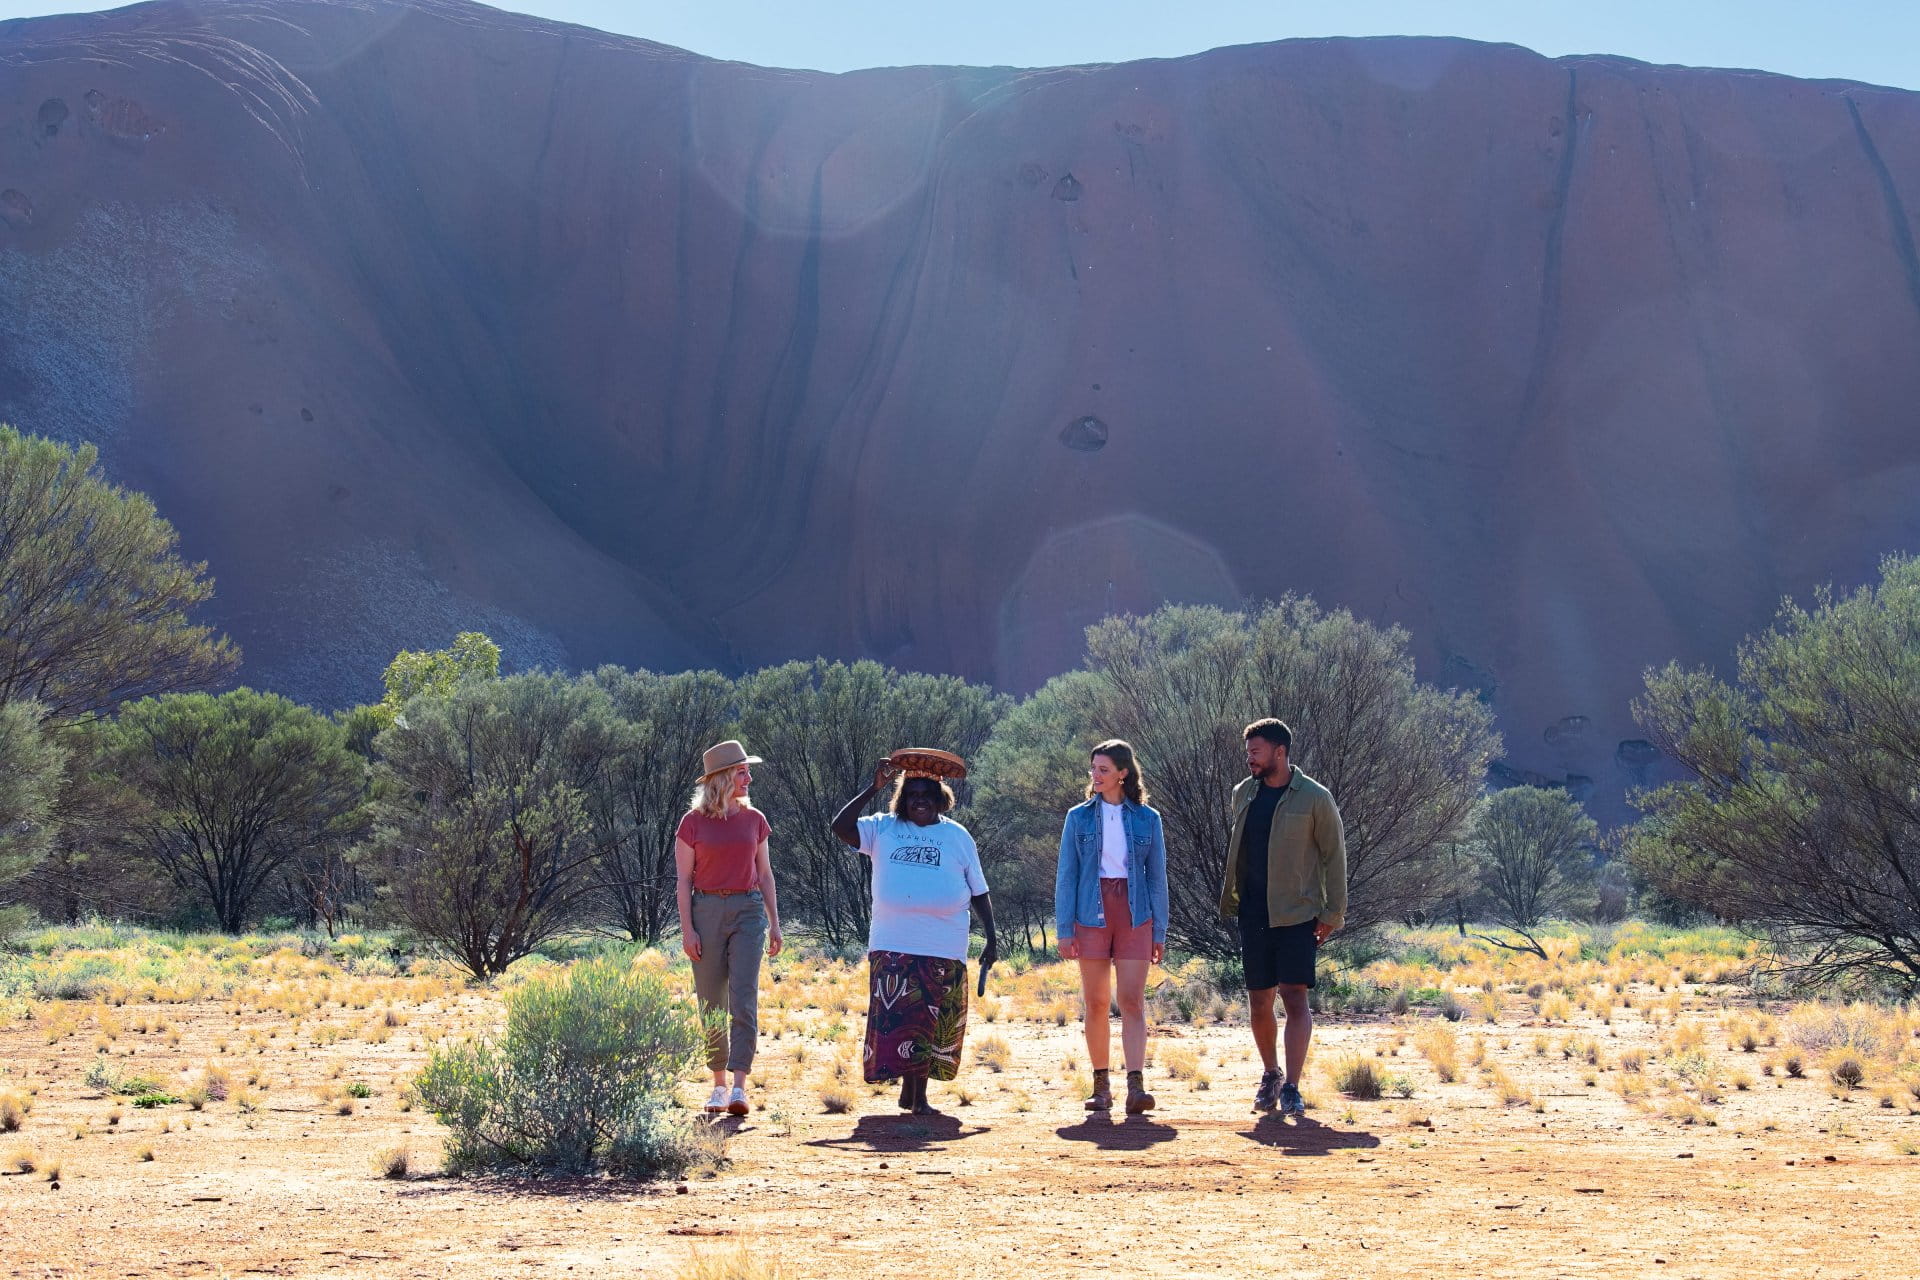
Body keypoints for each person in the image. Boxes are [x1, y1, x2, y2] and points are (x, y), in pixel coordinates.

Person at [831, 756, 997, 1115]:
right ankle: (914, 1096)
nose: (919, 800)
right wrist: (872, 789)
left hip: (943, 942)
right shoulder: (883, 828)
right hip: (893, 941)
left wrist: (992, 938)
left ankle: (915, 1095)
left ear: (941, 799)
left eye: (927, 794)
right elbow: (840, 826)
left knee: (931, 1019)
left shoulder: (957, 836)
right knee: (902, 1020)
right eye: (911, 795)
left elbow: (979, 890)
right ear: (901, 799)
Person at [1217, 718, 1347, 1117]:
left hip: (1298, 914)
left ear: (1279, 751)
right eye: (1248, 753)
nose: (1249, 759)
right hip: (1253, 913)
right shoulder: (1244, 793)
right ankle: (1269, 1074)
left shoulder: (1315, 797)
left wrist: (1332, 913)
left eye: (1256, 752)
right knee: (1259, 1001)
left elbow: (1334, 856)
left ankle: (1292, 1085)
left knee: (1295, 996)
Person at [1055, 739, 1169, 1115]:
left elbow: (1157, 878)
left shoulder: (1148, 819)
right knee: (1097, 1002)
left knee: (1133, 1001)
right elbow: (1066, 876)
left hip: (1136, 914)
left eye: (1103, 769)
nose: (1096, 776)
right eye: (1093, 769)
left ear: (1123, 773)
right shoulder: (1078, 817)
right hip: (1091, 912)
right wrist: (1064, 929)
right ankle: (1101, 1086)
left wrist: (1159, 931)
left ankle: (1136, 1087)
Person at [676, 739, 783, 1117]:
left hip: (748, 910)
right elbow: (683, 881)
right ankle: (717, 1086)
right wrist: (688, 930)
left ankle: (739, 1087)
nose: (749, 777)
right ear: (722, 778)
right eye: (742, 772)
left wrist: (775, 923)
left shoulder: (755, 820)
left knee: (743, 997)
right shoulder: (691, 823)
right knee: (710, 1001)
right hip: (705, 910)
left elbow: (766, 874)